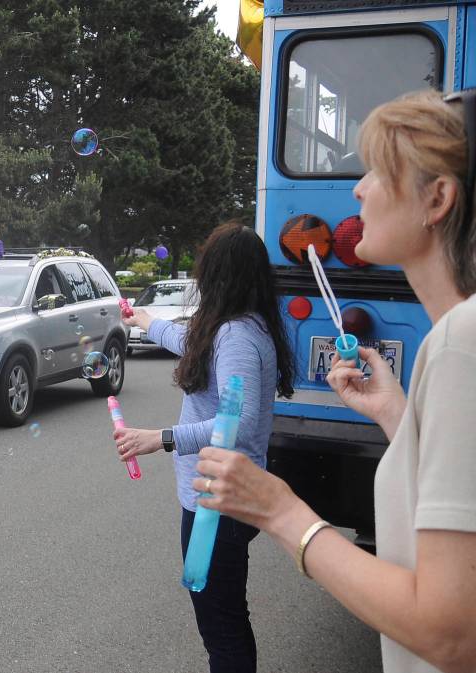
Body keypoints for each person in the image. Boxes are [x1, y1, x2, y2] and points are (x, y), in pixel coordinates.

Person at [192, 89, 476, 673]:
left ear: (438, 197)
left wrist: (282, 512)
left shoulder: (460, 344)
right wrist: (396, 415)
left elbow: (451, 635)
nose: (358, 188)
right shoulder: (457, 340)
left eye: (378, 170)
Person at [114, 222, 295, 673]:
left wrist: (161, 438)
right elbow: (189, 343)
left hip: (220, 503)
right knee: (221, 617)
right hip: (218, 496)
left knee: (223, 628)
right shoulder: (240, 325)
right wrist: (144, 320)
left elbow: (240, 420)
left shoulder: (235, 334)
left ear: (218, 275)